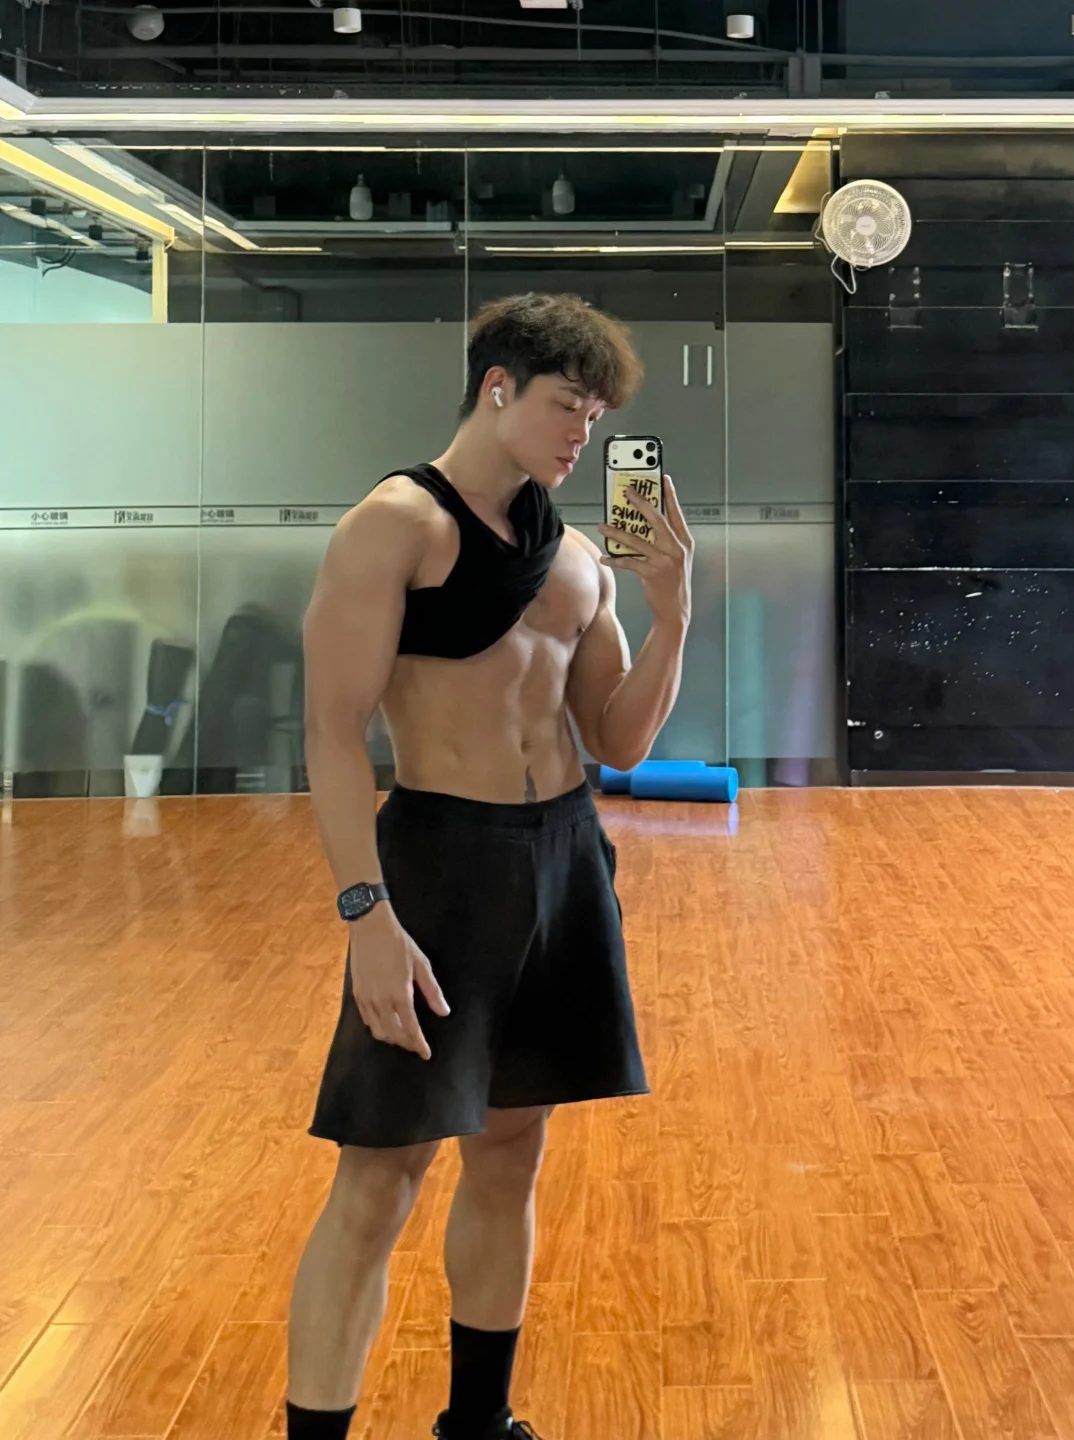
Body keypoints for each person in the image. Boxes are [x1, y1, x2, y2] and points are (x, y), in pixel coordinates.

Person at [287, 292, 694, 1440]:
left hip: (562, 861)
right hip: (442, 866)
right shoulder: (393, 527)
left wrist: (673, 613)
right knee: (380, 1179)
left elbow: (618, 740)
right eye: (567, 405)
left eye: (597, 417)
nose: (581, 434)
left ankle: (478, 1423)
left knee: (511, 1153)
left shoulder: (576, 558)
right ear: (498, 387)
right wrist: (366, 913)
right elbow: (332, 730)